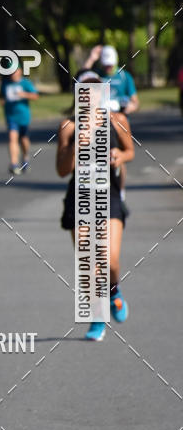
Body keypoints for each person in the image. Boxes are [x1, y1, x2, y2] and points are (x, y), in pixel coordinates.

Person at [56, 71, 135, 341]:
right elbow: (61, 170)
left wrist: (118, 155)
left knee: (109, 259)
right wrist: (77, 144)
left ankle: (114, 290)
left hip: (108, 195)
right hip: (78, 198)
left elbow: (130, 151)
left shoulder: (118, 120)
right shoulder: (68, 126)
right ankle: (97, 318)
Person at [83, 44, 138, 215]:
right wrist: (91, 58)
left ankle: (119, 194)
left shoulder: (125, 76)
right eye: (105, 63)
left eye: (110, 64)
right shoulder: (97, 76)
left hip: (118, 123)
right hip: (98, 121)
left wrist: (129, 107)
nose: (108, 67)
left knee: (119, 158)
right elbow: (81, 78)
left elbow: (135, 101)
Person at [0, 62, 39, 174]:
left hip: (24, 116)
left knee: (24, 140)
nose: (13, 74)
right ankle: (14, 163)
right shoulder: (5, 84)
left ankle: (25, 157)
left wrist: (24, 95)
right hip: (11, 116)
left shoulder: (25, 83)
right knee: (12, 138)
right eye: (10, 72)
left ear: (20, 71)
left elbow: (35, 96)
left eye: (14, 71)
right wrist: (2, 102)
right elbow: (2, 96)